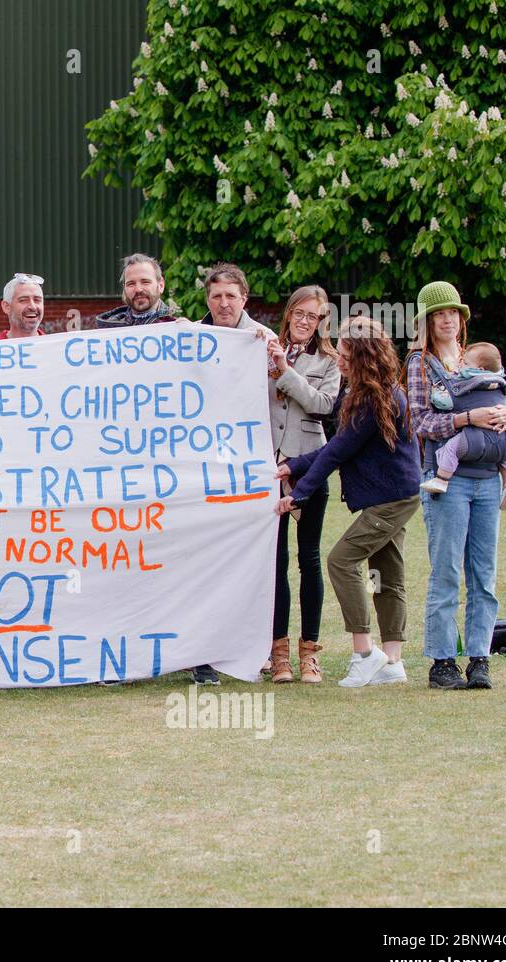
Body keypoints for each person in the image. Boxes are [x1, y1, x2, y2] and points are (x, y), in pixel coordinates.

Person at [275, 317, 421, 688]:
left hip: (391, 500)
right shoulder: (366, 392)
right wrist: (291, 465)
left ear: (364, 356)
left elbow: (336, 452)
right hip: (392, 497)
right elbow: (337, 446)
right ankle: (392, 663)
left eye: (344, 354)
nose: (338, 359)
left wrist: (298, 494)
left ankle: (364, 653)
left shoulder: (376, 398)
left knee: (340, 560)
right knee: (387, 576)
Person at [405, 281, 506, 690]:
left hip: (488, 481)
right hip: (446, 483)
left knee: (484, 576)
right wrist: (466, 420)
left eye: (453, 313)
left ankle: (479, 658)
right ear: (427, 321)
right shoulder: (420, 363)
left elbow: (504, 403)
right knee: (447, 573)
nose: (448, 320)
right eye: (439, 314)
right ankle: (441, 661)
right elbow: (420, 422)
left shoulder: (481, 360)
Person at [188, 262, 272, 685]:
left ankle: (251, 649)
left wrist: (271, 358)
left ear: (244, 299)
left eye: (231, 296)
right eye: (217, 296)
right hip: (200, 472)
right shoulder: (187, 337)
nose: (223, 303)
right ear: (208, 299)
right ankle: (203, 655)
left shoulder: (262, 340)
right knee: (202, 564)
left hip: (248, 473)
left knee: (248, 564)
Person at [264, 286, 340, 683]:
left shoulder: (328, 360)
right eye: (300, 313)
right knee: (274, 563)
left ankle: (309, 650)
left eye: (314, 316)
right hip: (268, 468)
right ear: (289, 313)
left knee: (308, 559)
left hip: (310, 464)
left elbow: (322, 404)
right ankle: (277, 654)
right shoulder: (262, 347)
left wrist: (285, 370)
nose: (306, 321)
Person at [418, 340, 506, 508]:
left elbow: (446, 401)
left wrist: (464, 415)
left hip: (473, 438)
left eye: (464, 363)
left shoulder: (464, 382)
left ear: (478, 369)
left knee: (451, 448)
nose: (461, 365)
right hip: (503, 436)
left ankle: (441, 480)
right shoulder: (501, 384)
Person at [94, 253, 181, 329]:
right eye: (131, 284)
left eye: (145, 282)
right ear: (124, 288)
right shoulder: (106, 331)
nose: (138, 289)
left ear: (161, 285)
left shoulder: (179, 331)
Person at [0, 273, 46, 339]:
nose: (33, 307)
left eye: (37, 300)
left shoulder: (55, 347)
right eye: (23, 300)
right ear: (7, 307)